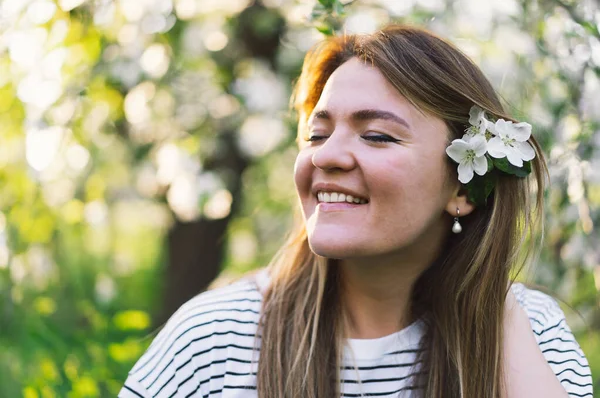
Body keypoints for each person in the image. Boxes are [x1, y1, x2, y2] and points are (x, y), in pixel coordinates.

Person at [119, 25, 593, 398]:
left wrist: (489, 303)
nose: (326, 157)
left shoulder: (530, 328)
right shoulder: (217, 339)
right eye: (317, 135)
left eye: (377, 135)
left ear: (463, 191)